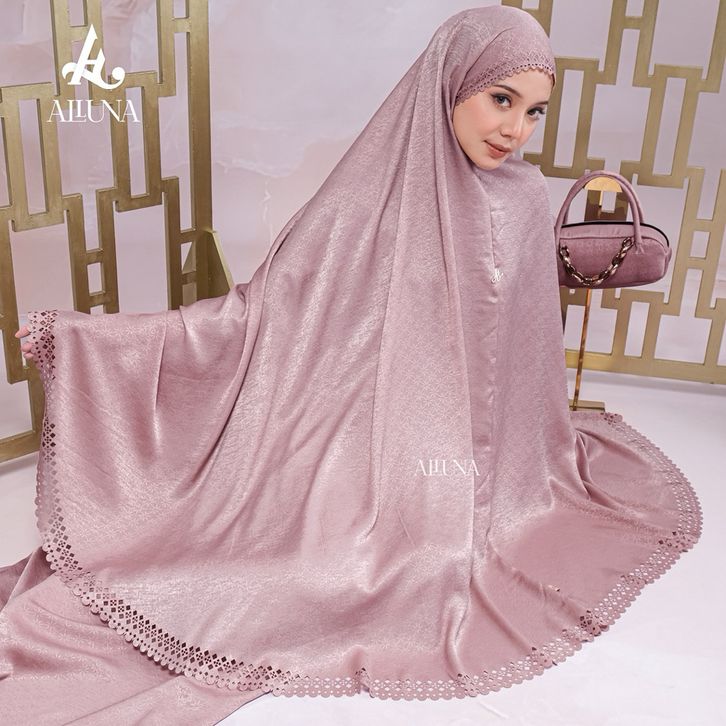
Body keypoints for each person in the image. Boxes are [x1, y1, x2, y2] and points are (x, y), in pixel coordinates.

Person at [2, 5, 701, 723]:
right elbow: (255, 317)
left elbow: (523, 356)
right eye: (500, 99)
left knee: (431, 552)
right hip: (356, 453)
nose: (515, 129)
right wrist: (84, 340)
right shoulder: (366, 202)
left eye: (533, 111)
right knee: (286, 564)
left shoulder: (524, 198)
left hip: (489, 470)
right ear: (450, 82)